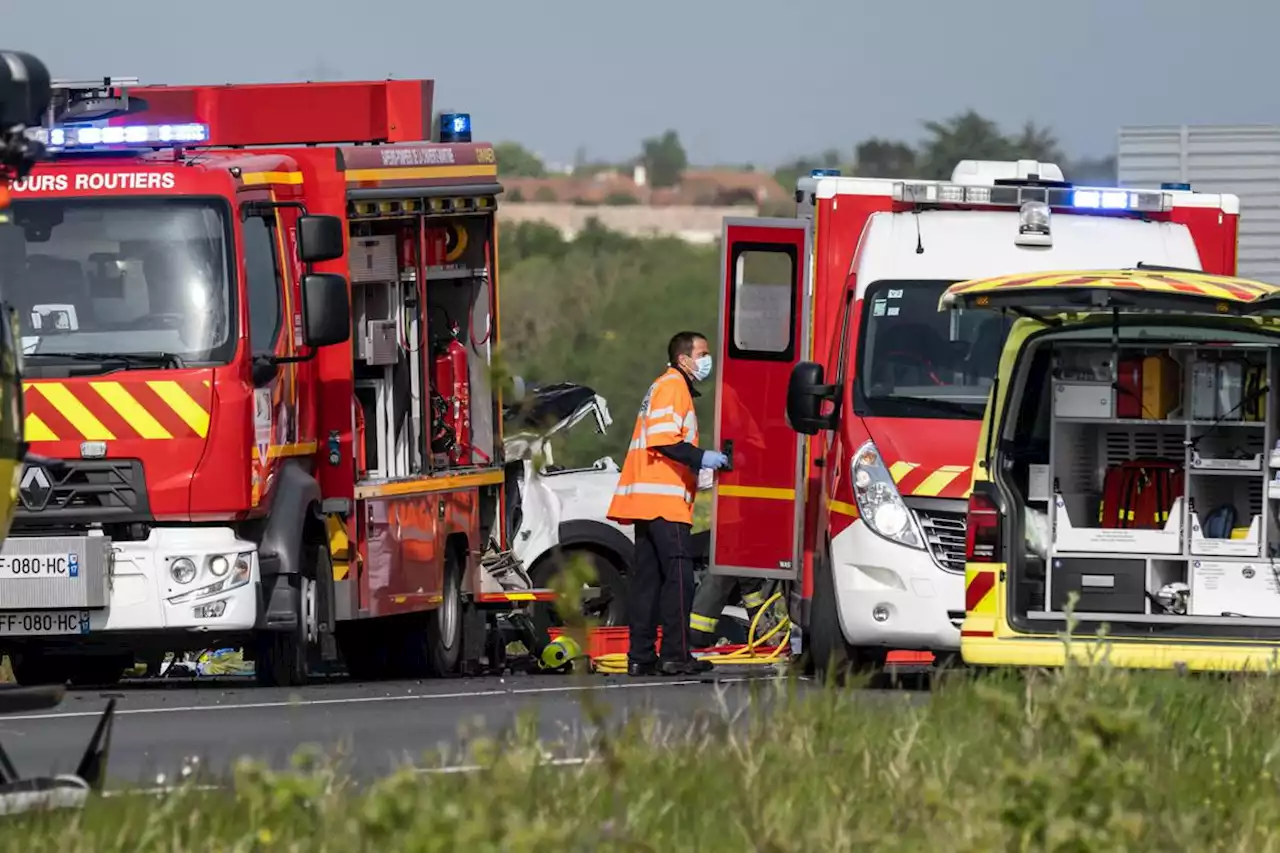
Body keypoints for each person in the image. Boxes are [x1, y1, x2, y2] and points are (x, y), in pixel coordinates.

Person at [607, 331, 728, 676]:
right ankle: (676, 654)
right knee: (679, 578)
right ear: (684, 358)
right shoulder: (673, 386)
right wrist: (704, 457)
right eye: (703, 353)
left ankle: (640, 656)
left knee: (648, 580)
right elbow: (663, 439)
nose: (708, 360)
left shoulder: (662, 386)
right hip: (664, 500)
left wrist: (697, 468)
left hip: (649, 498)